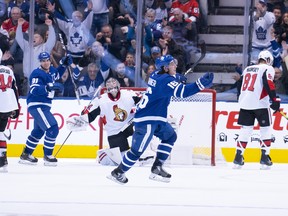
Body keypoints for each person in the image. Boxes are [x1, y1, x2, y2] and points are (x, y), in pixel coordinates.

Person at [107, 54, 214, 184]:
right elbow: (182, 93)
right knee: (136, 152)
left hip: (157, 118)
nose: (175, 65)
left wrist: (176, 77)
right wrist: (200, 84)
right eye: (172, 64)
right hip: (146, 119)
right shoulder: (165, 81)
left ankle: (157, 168)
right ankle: (118, 173)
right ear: (165, 67)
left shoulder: (156, 74)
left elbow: (168, 80)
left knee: (170, 137)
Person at [66, 77, 153, 166]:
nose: (113, 91)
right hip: (114, 131)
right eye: (110, 88)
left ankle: (146, 153)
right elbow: (89, 116)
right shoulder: (101, 101)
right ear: (107, 89)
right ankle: (104, 156)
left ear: (119, 87)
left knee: (143, 127)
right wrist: (80, 120)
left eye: (115, 87)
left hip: (129, 124)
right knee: (121, 161)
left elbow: (144, 102)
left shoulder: (128, 94)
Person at [18, 52, 75, 166]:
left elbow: (57, 75)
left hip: (44, 106)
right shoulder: (37, 73)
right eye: (43, 60)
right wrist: (48, 87)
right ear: (40, 62)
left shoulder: (52, 70)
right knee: (53, 128)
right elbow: (34, 89)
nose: (46, 62)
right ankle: (48, 155)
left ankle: (26, 154)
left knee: (38, 131)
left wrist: (63, 65)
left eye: (47, 60)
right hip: (37, 104)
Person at [233, 50, 280, 169]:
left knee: (245, 130)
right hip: (260, 105)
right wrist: (274, 100)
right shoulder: (267, 68)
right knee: (265, 129)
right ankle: (264, 157)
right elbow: (268, 83)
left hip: (245, 104)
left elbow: (239, 83)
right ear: (268, 60)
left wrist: (241, 97)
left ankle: (238, 157)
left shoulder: (247, 68)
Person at [0, 49, 20, 172]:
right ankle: (3, 159)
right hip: (8, 104)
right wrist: (16, 107)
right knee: (1, 131)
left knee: (0, 132)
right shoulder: (9, 70)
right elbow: (15, 89)